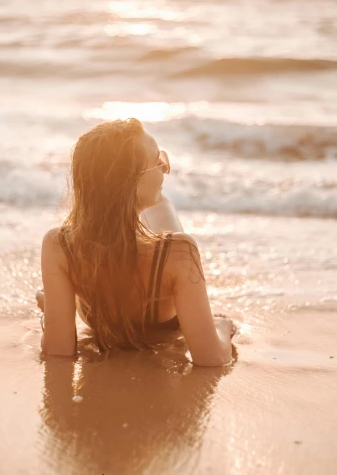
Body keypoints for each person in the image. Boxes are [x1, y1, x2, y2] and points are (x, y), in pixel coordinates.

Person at [36, 118, 235, 366]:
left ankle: (54, 301)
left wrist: (51, 317)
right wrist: (221, 326)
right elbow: (212, 359)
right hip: (164, 310)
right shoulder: (180, 252)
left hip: (96, 310)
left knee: (156, 208)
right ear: (131, 180)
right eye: (157, 161)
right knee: (162, 204)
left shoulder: (59, 244)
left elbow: (58, 352)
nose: (166, 169)